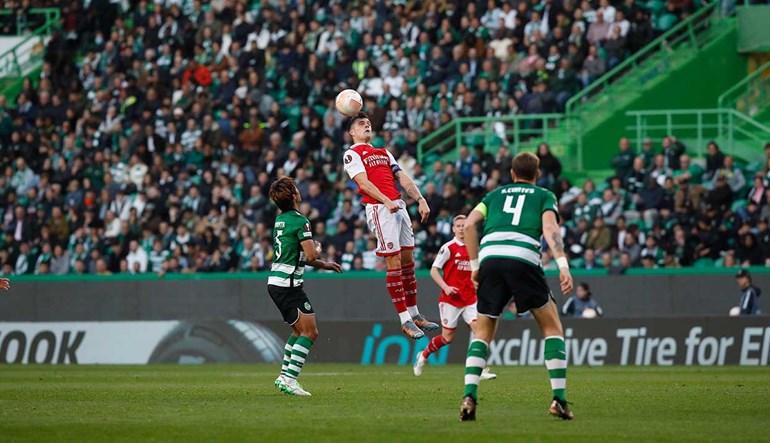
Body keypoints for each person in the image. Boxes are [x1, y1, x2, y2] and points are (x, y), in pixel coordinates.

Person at [459, 151, 575, 421]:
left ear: (512, 174)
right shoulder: (544, 195)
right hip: (522, 258)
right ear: (537, 175)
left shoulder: (494, 195)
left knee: (483, 331)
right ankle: (558, 400)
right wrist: (562, 265)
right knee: (552, 326)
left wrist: (476, 266)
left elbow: (469, 224)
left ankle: (469, 395)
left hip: (490, 258)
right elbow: (550, 228)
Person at [343, 112, 438, 339]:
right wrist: (385, 200)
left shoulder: (383, 152)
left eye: (368, 122)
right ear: (352, 132)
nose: (366, 125)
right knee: (393, 261)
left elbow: (402, 177)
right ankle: (404, 319)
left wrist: (421, 199)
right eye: (360, 123)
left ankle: (415, 314)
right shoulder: (351, 154)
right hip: (379, 209)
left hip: (398, 206)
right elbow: (362, 183)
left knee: (408, 261)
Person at [268, 177, 343, 396]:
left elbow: (302, 256)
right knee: (310, 332)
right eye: (295, 188)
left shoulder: (281, 220)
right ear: (293, 195)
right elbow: (310, 254)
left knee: (298, 330)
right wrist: (318, 249)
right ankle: (291, 379)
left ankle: (284, 375)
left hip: (276, 282)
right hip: (288, 285)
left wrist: (325, 265)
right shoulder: (300, 221)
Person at [413, 214, 497, 381]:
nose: (460, 228)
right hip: (450, 300)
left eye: (464, 225)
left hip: (470, 299)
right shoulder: (448, 248)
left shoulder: (475, 248)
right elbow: (433, 270)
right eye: (458, 225)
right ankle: (423, 354)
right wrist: (446, 287)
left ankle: (481, 368)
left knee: (479, 332)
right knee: (447, 338)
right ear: (453, 229)